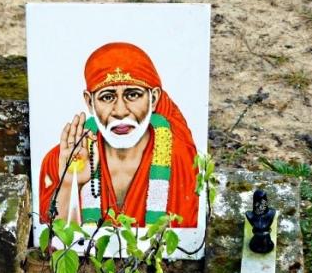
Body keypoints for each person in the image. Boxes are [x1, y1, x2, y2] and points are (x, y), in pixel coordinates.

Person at [38, 42, 199, 228]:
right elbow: (53, 238)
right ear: (90, 103)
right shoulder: (60, 161)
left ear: (153, 98)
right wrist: (69, 184)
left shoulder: (180, 161)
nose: (120, 112)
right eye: (107, 97)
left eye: (133, 95)